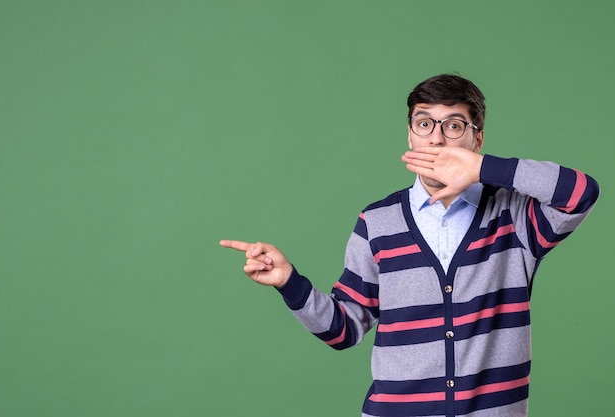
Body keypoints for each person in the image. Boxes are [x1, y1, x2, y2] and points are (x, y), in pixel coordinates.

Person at [220, 74, 600, 417]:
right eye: (424, 123)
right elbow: (345, 329)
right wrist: (290, 283)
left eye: (453, 126)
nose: (436, 138)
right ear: (410, 135)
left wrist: (483, 168)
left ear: (477, 139)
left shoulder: (513, 217)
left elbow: (581, 193)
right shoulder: (377, 222)